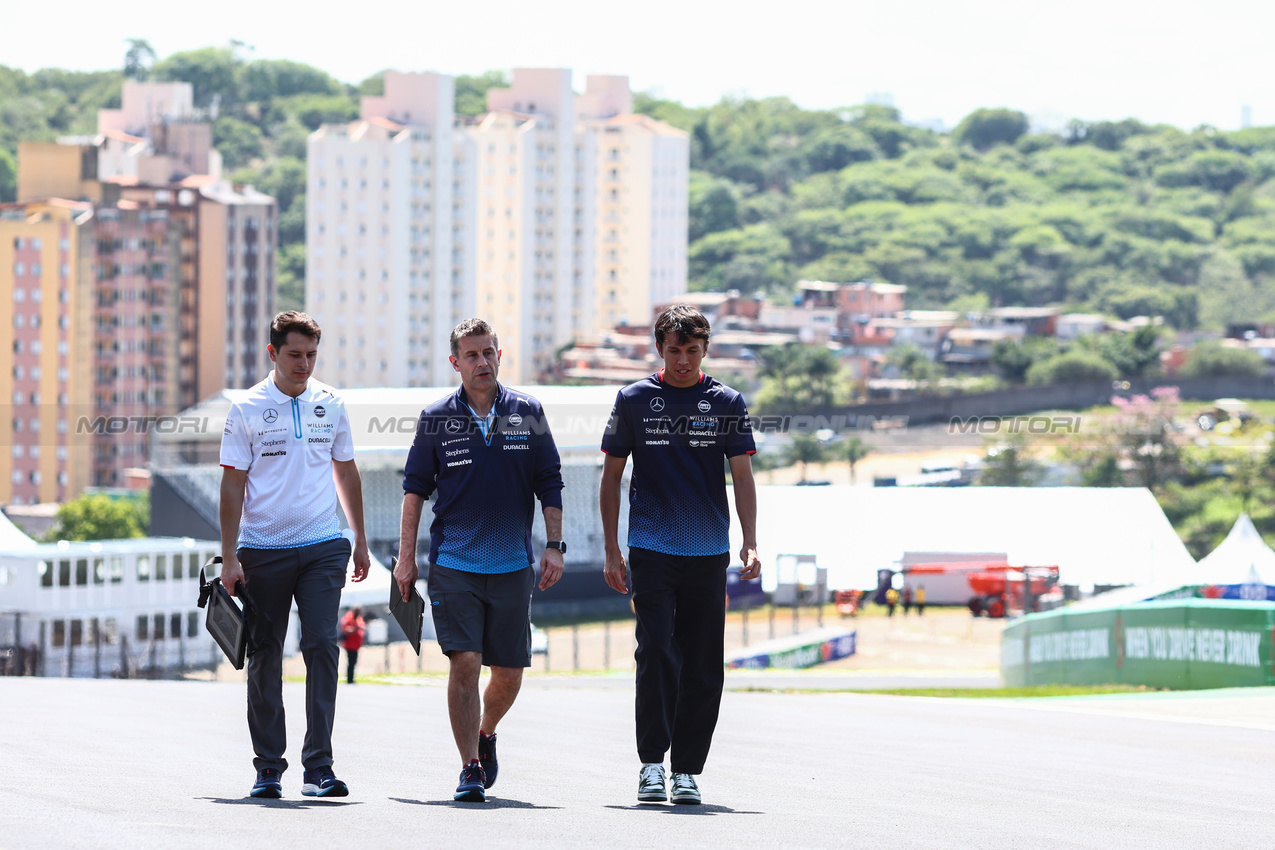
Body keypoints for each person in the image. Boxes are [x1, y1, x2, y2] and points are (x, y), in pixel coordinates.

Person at [394, 318, 565, 803]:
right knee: (465, 662)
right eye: (471, 355)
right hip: (453, 563)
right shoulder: (435, 418)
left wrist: (554, 544)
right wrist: (406, 561)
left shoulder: (528, 411)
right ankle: (469, 766)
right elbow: (413, 493)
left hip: (513, 564)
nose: (482, 362)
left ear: (499, 354)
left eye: (488, 352)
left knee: (508, 672)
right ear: (456, 363)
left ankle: (486, 733)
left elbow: (549, 482)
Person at [599, 304, 761, 806]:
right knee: (656, 652)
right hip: (650, 546)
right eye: (675, 350)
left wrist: (750, 540)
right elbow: (610, 477)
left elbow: (742, 477)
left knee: (704, 663)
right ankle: (651, 764)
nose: (684, 360)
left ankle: (687, 771)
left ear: (705, 350)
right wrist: (611, 549)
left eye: (693, 351)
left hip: (708, 551)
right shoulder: (633, 399)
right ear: (660, 349)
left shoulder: (728, 400)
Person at [219, 311, 371, 799]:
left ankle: (319, 766)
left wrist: (359, 538)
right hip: (262, 549)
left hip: (325, 544)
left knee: (323, 645)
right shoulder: (245, 409)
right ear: (272, 354)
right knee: (265, 655)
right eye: (294, 355)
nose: (304, 364)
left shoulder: (332, 402)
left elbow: (346, 472)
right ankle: (268, 767)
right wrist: (229, 557)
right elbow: (231, 484)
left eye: (311, 355)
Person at [340, 606, 366, 684]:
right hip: (349, 645)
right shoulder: (348, 618)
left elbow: (363, 626)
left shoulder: (358, 619)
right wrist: (357, 629)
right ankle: (349, 679)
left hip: (356, 645)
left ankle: (351, 678)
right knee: (350, 662)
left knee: (353, 662)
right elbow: (346, 630)